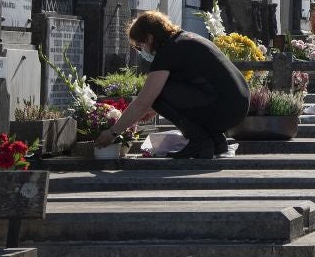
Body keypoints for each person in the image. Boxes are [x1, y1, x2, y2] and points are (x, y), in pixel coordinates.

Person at [98, 11, 251, 159]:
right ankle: (217, 142)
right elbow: (191, 87)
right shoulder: (185, 39)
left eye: (139, 46)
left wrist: (112, 132)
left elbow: (143, 102)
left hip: (223, 108)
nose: (141, 51)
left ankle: (199, 141)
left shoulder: (168, 52)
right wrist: (158, 108)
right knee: (158, 98)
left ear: (150, 38)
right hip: (238, 105)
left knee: (156, 96)